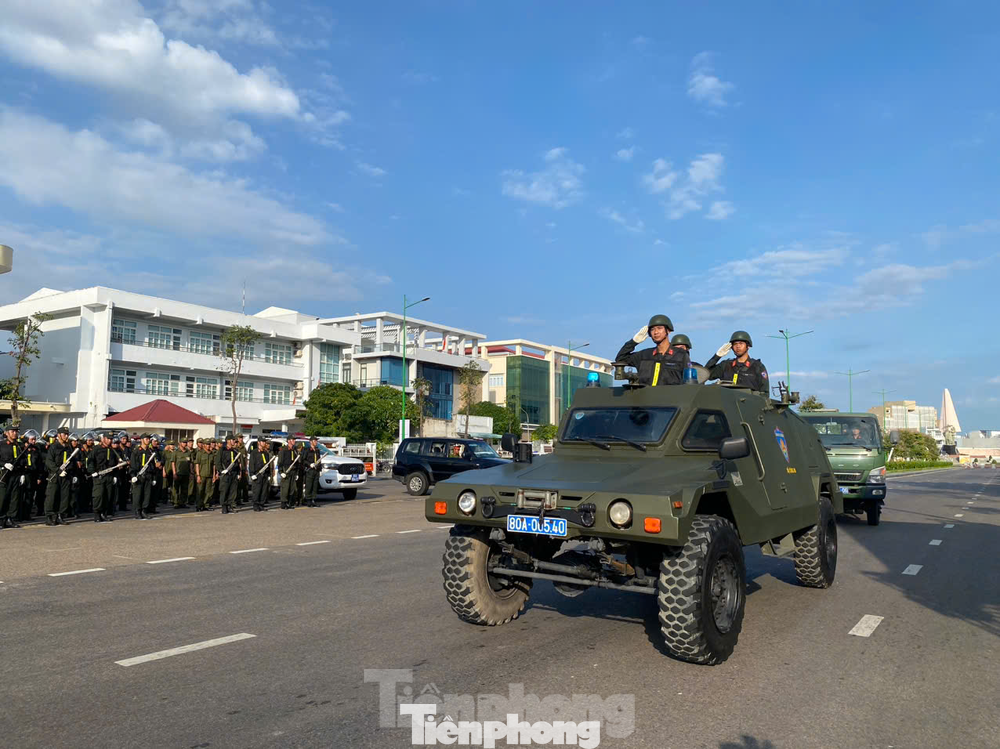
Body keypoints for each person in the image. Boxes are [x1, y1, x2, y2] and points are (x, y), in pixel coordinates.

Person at [615, 314, 687, 386]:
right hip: (645, 396)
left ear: (668, 331)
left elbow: (688, 383)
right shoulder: (644, 356)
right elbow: (620, 358)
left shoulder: (680, 355)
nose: (656, 332)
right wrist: (633, 342)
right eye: (652, 329)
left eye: (659, 328)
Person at [704, 331, 769, 392]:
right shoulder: (726, 365)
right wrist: (717, 356)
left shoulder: (757, 367)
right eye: (735, 344)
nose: (738, 346)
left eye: (741, 343)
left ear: (748, 346)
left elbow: (765, 393)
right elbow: (705, 375)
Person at [44, 427, 75, 525]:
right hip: (55, 475)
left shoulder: (69, 447)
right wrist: (58, 470)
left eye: (67, 434)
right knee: (52, 496)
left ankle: (60, 516)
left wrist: (69, 470)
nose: (66, 436)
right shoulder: (54, 447)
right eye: (64, 434)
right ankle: (50, 517)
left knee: (64, 497)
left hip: (66, 476)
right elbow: (49, 461)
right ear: (59, 435)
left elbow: (72, 461)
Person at [0, 422, 26, 528]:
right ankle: (1, 519)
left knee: (14, 497)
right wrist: (4, 464)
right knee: (3, 498)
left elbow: (23, 460)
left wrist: (22, 474)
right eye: (13, 431)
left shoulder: (19, 445)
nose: (15, 433)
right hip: (5, 474)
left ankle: (10, 518)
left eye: (16, 431)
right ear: (7, 433)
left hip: (16, 474)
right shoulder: (1, 445)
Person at [129, 433, 160, 519]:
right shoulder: (136, 451)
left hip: (148, 476)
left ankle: (144, 510)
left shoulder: (150, 451)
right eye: (146, 439)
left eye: (149, 439)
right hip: (139, 476)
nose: (148, 440)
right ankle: (137, 511)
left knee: (147, 495)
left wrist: (153, 477)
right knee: (138, 495)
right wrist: (133, 476)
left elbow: (152, 465)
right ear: (142, 440)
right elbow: (133, 465)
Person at [87, 432, 115, 522]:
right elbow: (90, 461)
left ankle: (104, 513)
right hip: (99, 476)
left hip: (109, 476)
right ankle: (97, 514)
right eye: (108, 439)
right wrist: (92, 472)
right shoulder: (96, 449)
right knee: (98, 496)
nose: (110, 441)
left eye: (111, 439)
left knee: (107, 495)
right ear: (103, 439)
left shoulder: (111, 450)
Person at [215, 434, 241, 514]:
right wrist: (221, 470)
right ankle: (224, 506)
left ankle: (231, 505)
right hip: (225, 473)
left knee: (232, 491)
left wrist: (238, 473)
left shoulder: (235, 451)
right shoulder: (222, 450)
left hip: (233, 473)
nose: (234, 442)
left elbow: (237, 463)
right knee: (224, 490)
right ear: (228, 441)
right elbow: (218, 462)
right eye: (233, 440)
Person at [247, 439, 272, 511]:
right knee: (257, 491)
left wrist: (268, 474)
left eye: (265, 442)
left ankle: (261, 504)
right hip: (257, 474)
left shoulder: (265, 453)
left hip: (265, 475)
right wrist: (252, 474)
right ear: (259, 442)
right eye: (263, 442)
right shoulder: (254, 453)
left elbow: (267, 464)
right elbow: (251, 464)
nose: (264, 443)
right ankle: (256, 505)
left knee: (264, 491)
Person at [277, 436, 300, 510]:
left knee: (292, 488)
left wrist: (297, 473)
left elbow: (297, 462)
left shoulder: (295, 450)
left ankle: (290, 503)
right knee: (285, 488)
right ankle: (283, 503)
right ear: (289, 441)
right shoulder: (283, 450)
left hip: (293, 471)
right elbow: (280, 462)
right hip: (286, 471)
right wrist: (281, 472)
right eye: (293, 440)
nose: (294, 441)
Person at [301, 436, 323, 508]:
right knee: (309, 486)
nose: (316, 442)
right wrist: (309, 464)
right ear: (311, 442)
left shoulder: (317, 450)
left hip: (316, 470)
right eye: (315, 441)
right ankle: (308, 500)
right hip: (309, 470)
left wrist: (320, 469)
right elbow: (303, 460)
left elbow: (319, 460)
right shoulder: (307, 450)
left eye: (316, 441)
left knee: (315, 486)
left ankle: (313, 500)